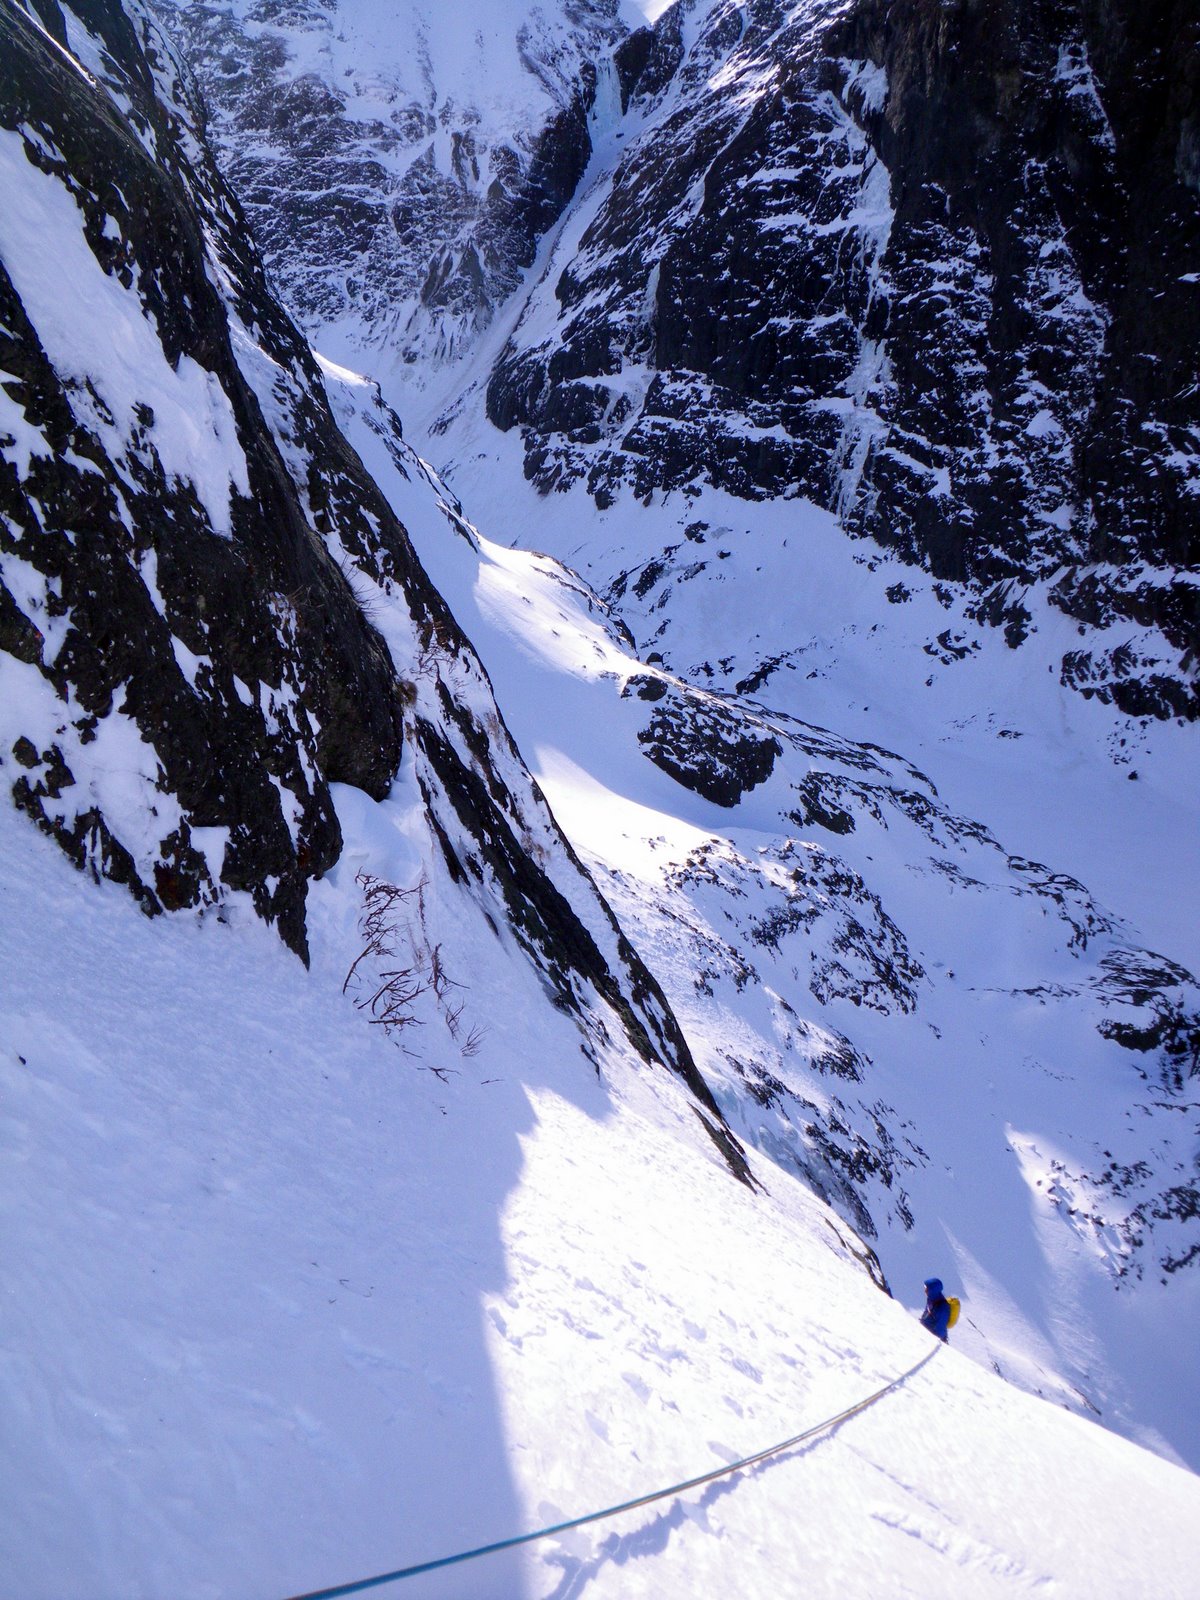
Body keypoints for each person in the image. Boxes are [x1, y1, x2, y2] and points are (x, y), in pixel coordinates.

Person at [920, 1277, 951, 1342]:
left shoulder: (943, 1307)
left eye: (926, 1289)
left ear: (932, 1290)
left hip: (934, 1340)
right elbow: (926, 1313)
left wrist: (933, 1340)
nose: (925, 1291)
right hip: (925, 1333)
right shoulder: (931, 1299)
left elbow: (941, 1329)